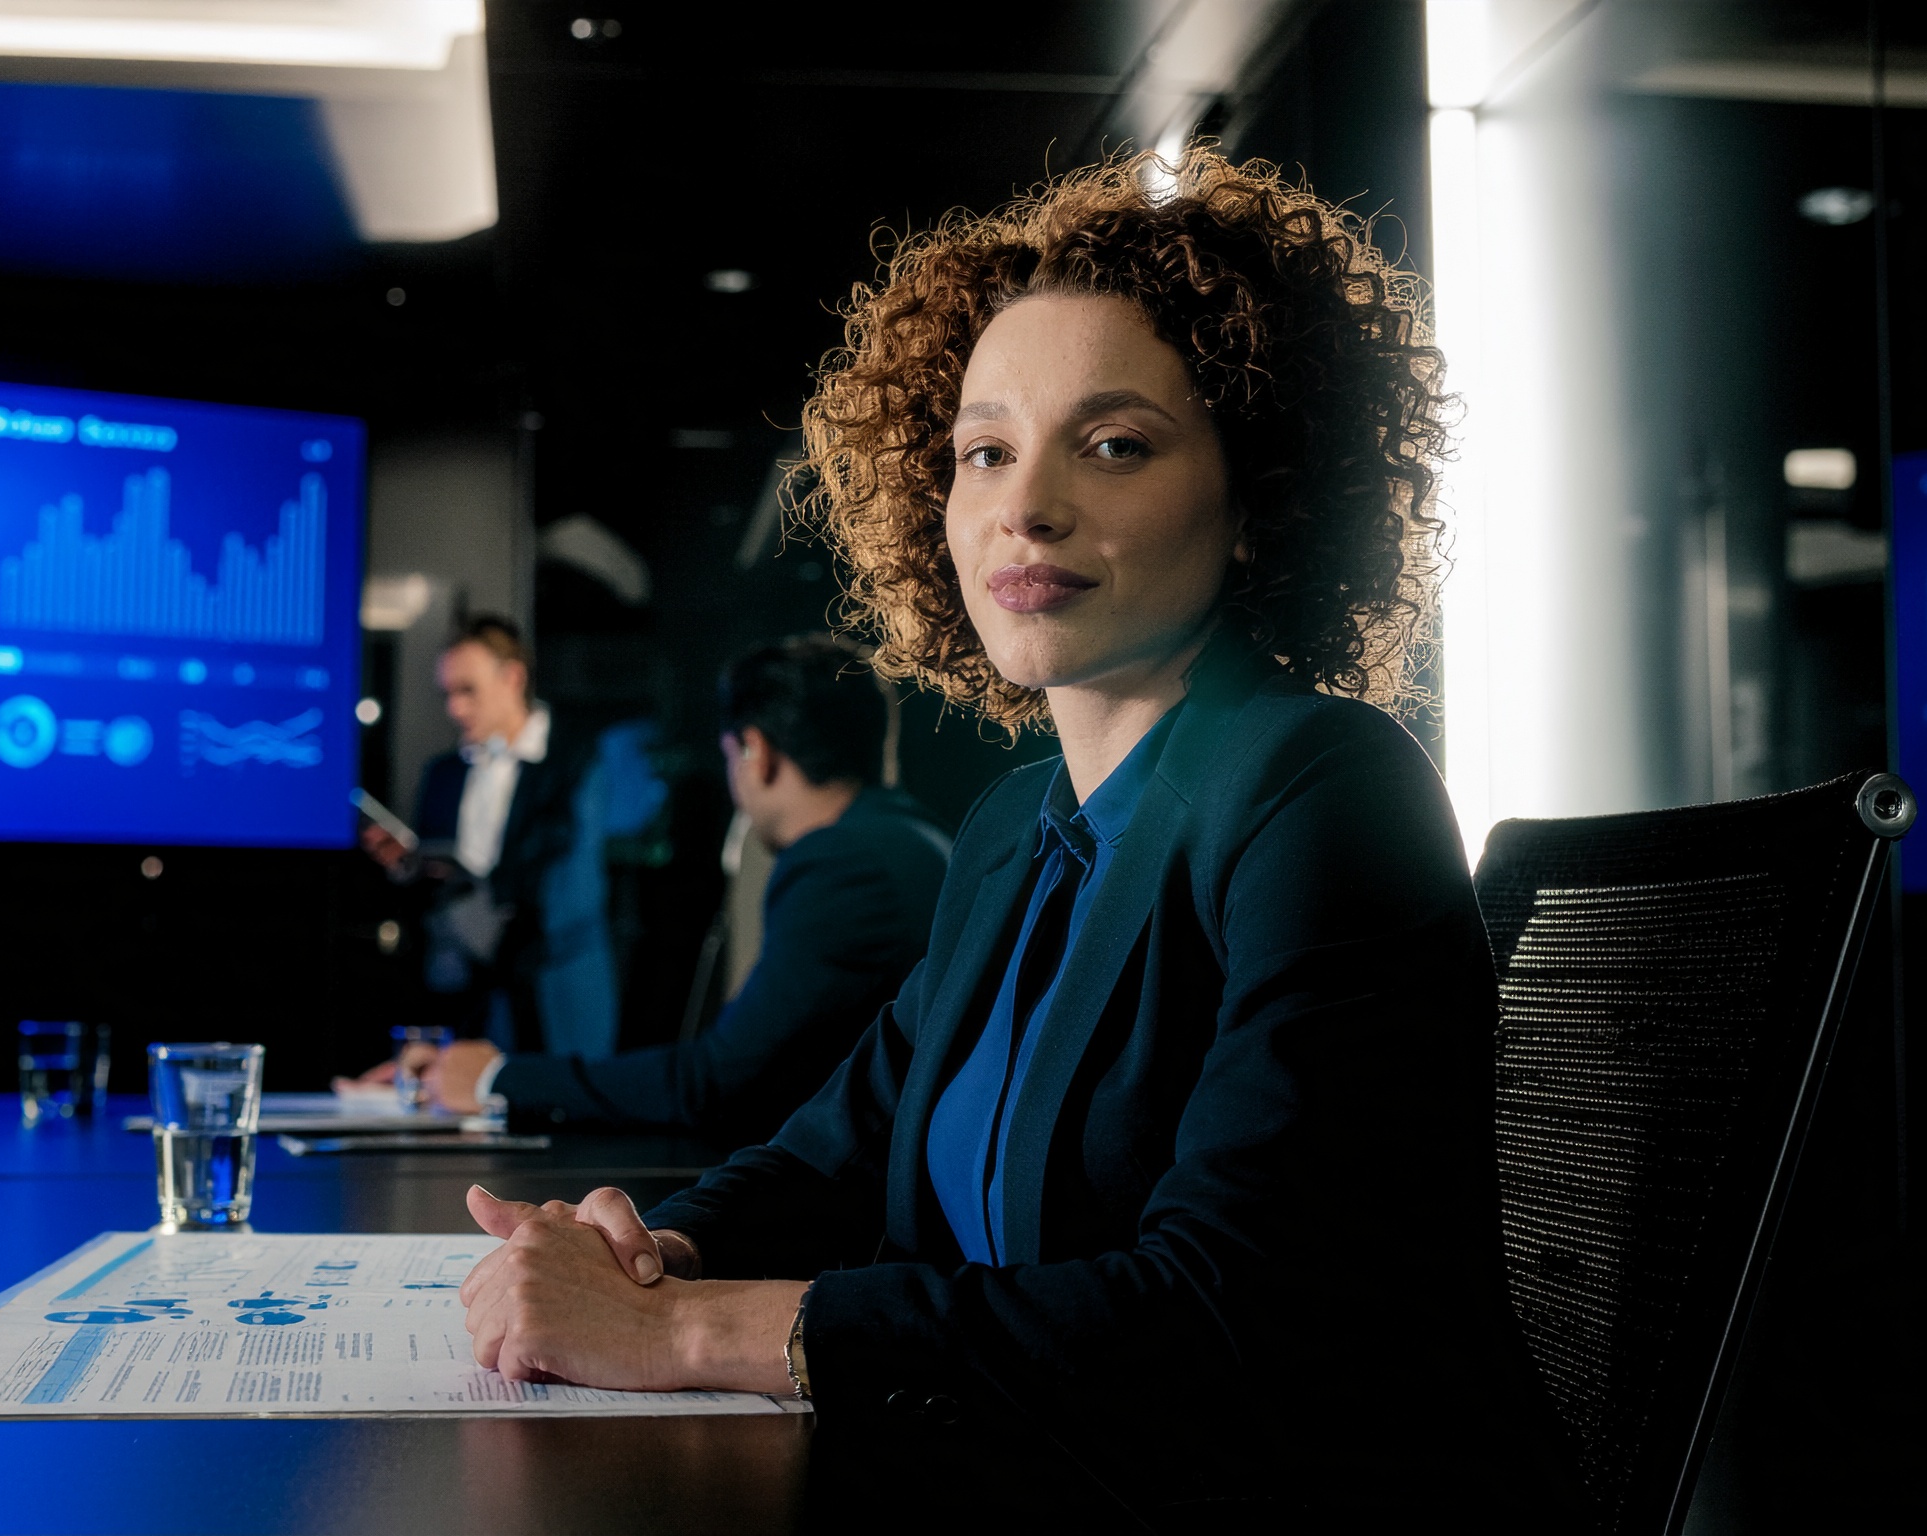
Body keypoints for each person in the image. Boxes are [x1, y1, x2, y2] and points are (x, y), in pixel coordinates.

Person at [443, 149, 1578, 1525]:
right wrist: (651, 1247)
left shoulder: (1323, 786)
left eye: (1114, 443)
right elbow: (829, 1154)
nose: (1021, 505)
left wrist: (680, 1335)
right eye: (984, 450)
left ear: (1263, 492)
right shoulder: (1010, 830)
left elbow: (1221, 1321)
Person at [352, 635, 949, 1147]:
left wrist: (495, 1079)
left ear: (755, 753)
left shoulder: (840, 864)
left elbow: (717, 1082)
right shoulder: (908, 838)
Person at [362, 615, 617, 1059]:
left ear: (512, 678)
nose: (455, 709)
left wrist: (495, 915)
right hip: (468, 996)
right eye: (448, 694)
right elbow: (435, 888)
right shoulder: (442, 774)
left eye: (468, 691)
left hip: (556, 994)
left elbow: (575, 893)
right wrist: (410, 867)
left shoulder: (576, 760)